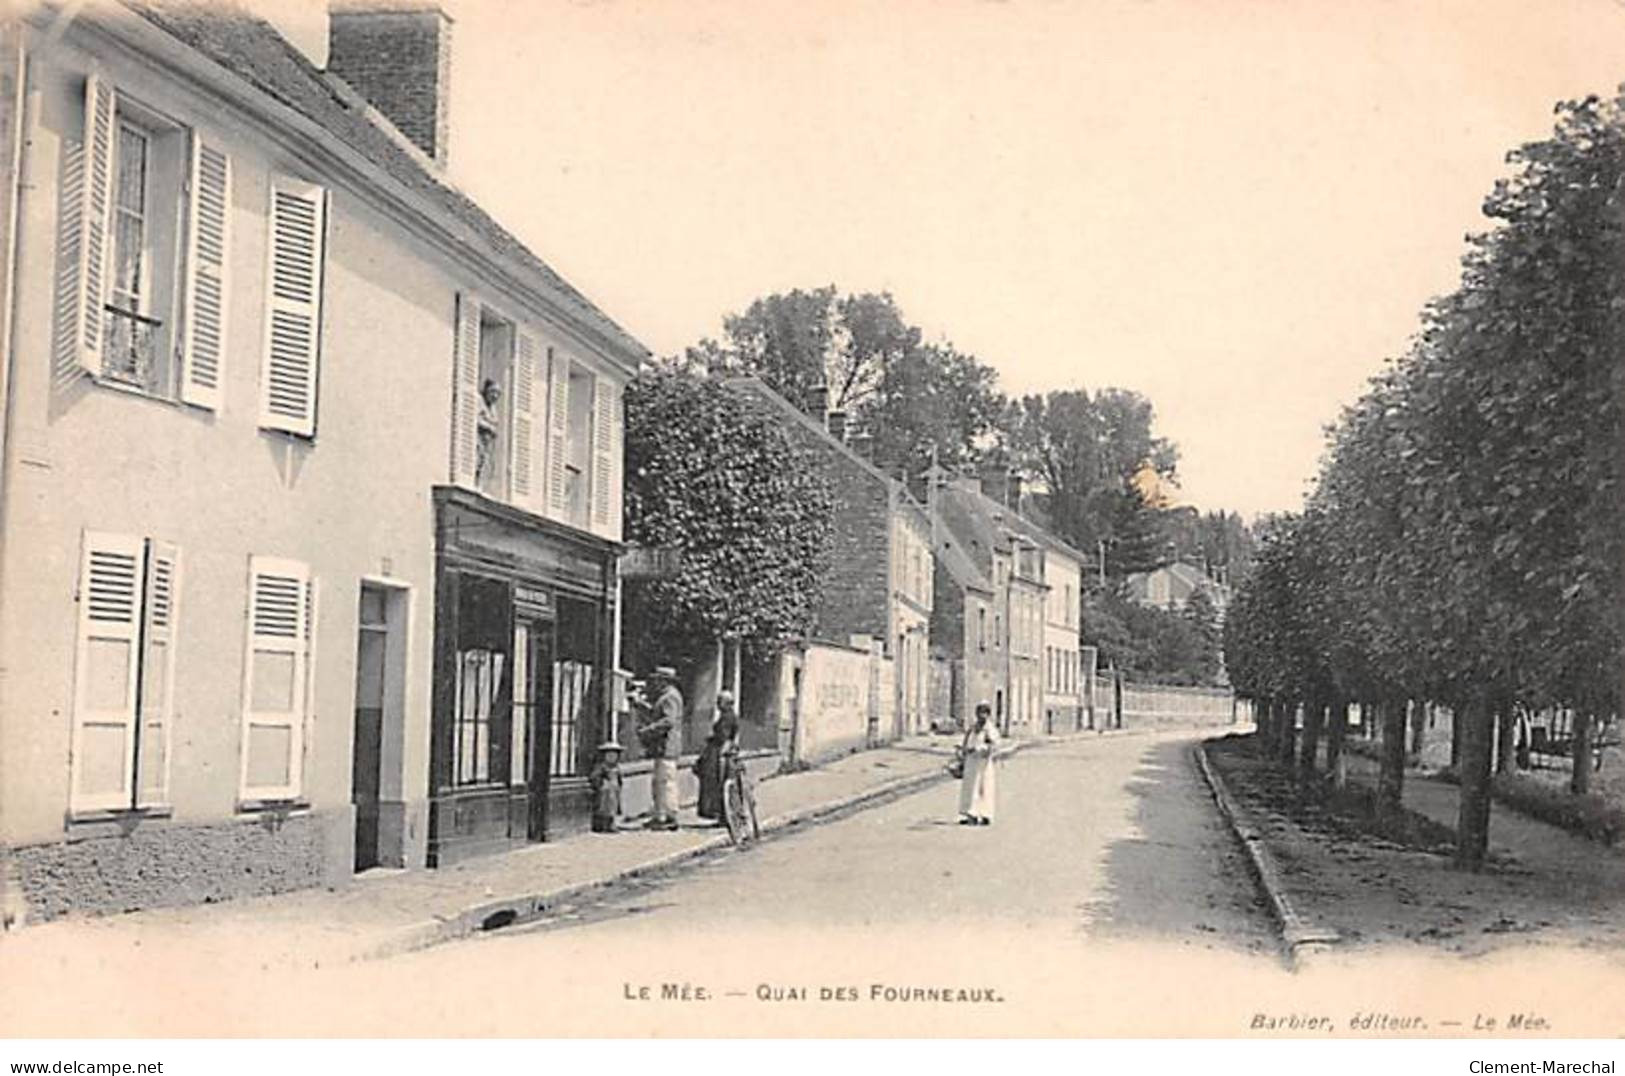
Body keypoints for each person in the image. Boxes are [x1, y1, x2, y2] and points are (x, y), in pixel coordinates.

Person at [636, 665, 684, 830]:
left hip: (667, 746)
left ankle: (670, 816)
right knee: (659, 782)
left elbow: (668, 721)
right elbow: (659, 715)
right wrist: (640, 705)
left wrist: (648, 731)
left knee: (666, 781)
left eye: (657, 680)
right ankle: (660, 815)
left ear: (664, 681)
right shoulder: (666, 697)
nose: (655, 683)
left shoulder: (670, 697)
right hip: (663, 747)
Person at [695, 690, 741, 823]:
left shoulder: (727, 717)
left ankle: (719, 813)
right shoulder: (728, 716)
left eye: (719, 702)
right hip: (719, 750)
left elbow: (725, 736)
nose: (717, 705)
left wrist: (719, 748)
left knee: (715, 782)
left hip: (719, 752)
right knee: (715, 782)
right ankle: (722, 815)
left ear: (727, 703)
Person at [958, 702, 1000, 826]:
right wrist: (964, 751)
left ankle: (986, 814)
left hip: (984, 763)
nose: (982, 716)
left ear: (988, 715)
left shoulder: (990, 730)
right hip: (971, 762)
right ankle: (970, 813)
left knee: (985, 788)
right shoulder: (972, 728)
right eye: (979, 713)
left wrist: (980, 749)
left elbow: (994, 745)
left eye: (984, 713)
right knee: (970, 788)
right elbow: (966, 741)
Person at [588, 741, 623, 834]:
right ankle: (602, 825)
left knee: (613, 806)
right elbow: (594, 777)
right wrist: (601, 783)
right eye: (609, 755)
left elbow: (620, 780)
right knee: (603, 807)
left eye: (614, 755)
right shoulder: (601, 767)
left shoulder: (617, 768)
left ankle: (611, 823)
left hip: (614, 791)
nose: (612, 757)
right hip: (604, 791)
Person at [475, 378, 502, 483]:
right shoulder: (479, 401)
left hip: (486, 444)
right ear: (486, 390)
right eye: (492, 391)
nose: (495, 396)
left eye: (498, 393)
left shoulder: (493, 409)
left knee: (482, 464)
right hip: (477, 441)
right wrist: (489, 428)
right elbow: (475, 419)